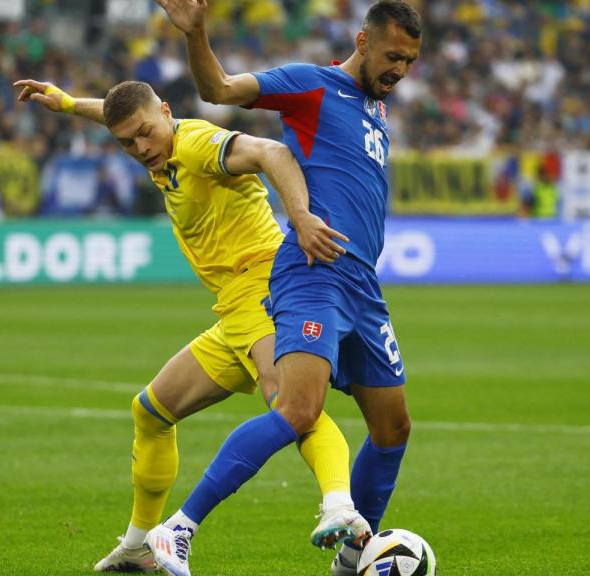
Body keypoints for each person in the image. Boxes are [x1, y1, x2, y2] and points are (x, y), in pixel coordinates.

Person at [12, 77, 353, 572]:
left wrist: (299, 215)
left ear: (167, 112)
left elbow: (271, 152)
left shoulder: (194, 144)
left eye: (147, 133)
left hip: (261, 289)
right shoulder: (158, 145)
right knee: (151, 411)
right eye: (127, 142)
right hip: (233, 308)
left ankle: (340, 505)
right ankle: (137, 547)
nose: (141, 147)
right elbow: (122, 116)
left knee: (292, 403)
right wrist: (68, 104)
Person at [146, 2, 423, 575]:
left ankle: (352, 561)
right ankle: (177, 529)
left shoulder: (375, 107)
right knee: (298, 409)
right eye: (393, 56)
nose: (400, 69)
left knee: (393, 426)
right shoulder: (310, 85)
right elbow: (217, 87)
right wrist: (197, 33)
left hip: (362, 286)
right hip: (312, 272)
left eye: (410, 61)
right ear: (363, 40)